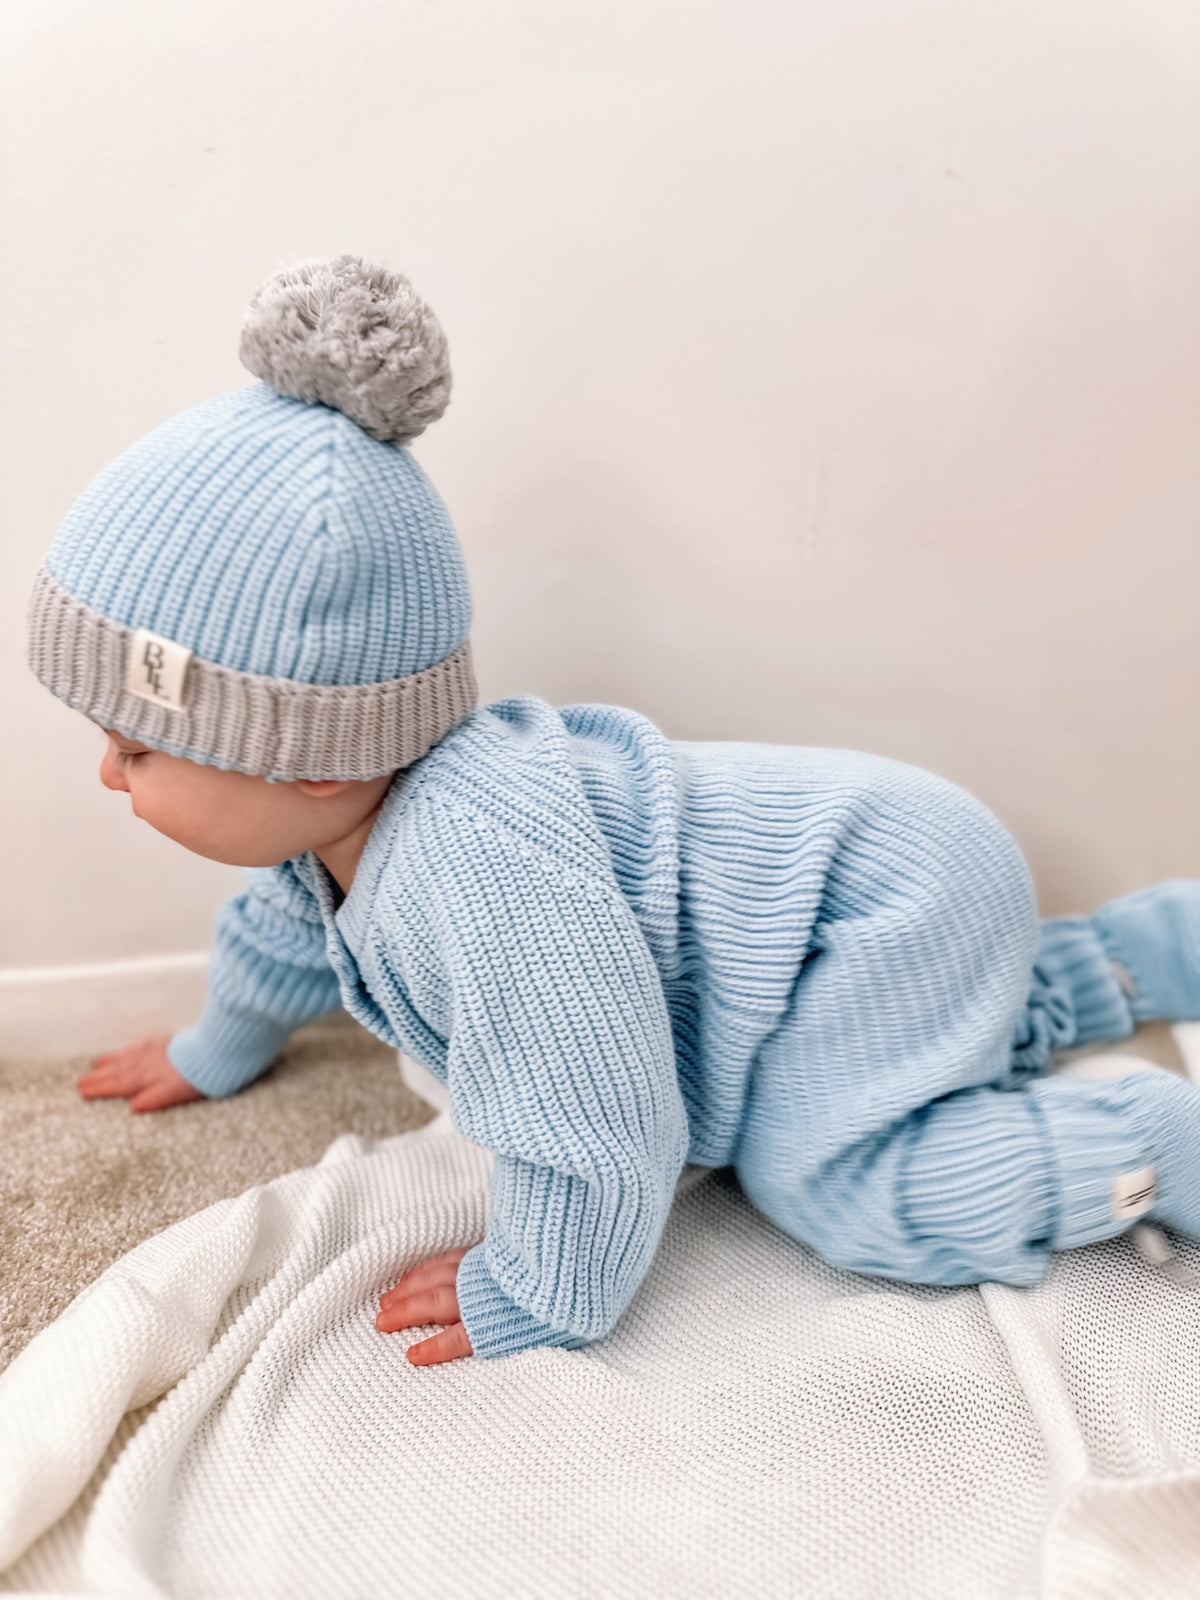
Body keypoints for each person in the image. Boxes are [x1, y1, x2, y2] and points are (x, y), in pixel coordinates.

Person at [29, 256, 1200, 1367]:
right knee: (926, 1019)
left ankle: (1152, 1142)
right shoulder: (329, 835)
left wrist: (539, 1284)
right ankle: (1138, 958)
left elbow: (599, 1110)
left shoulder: (482, 877)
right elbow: (284, 934)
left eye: (136, 746)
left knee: (836, 1187)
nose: (110, 777)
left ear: (311, 761)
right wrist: (215, 1049)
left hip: (876, 913)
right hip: (895, 881)